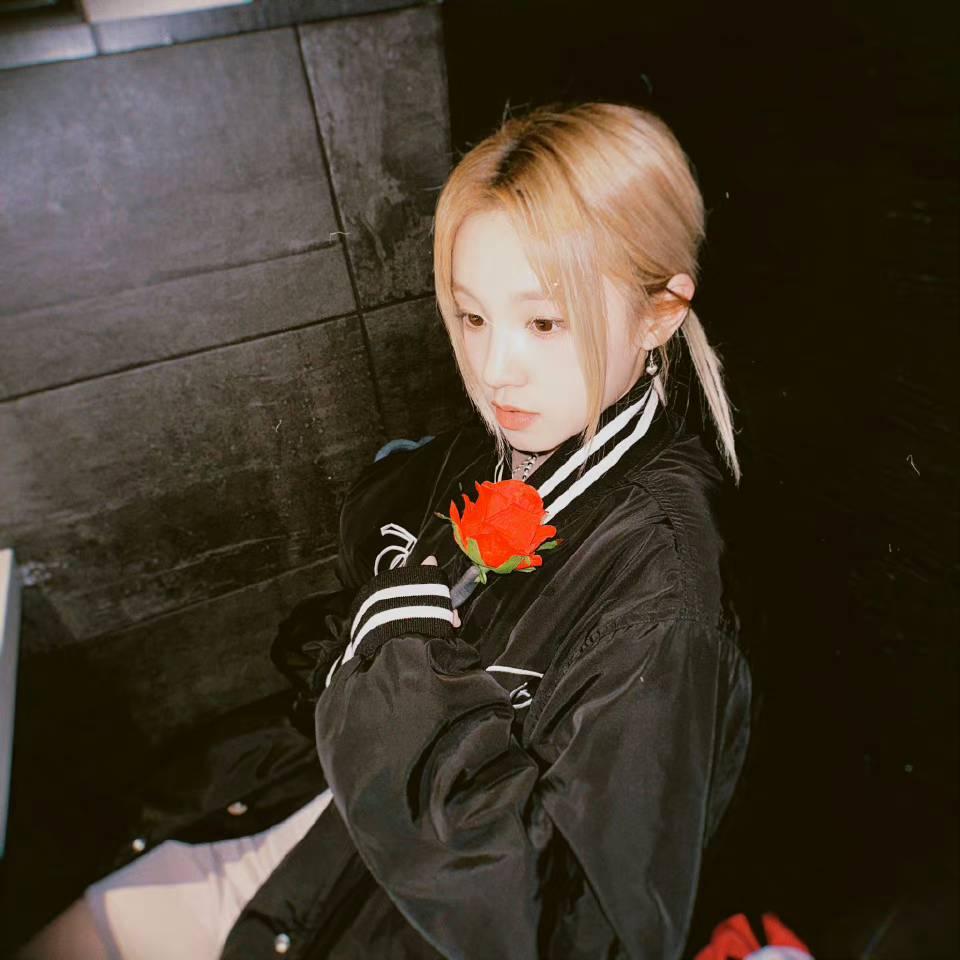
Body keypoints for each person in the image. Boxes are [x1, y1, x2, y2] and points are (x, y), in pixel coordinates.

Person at [18, 101, 752, 960]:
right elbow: (337, 637)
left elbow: (578, 934)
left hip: (375, 916)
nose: (494, 369)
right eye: (472, 317)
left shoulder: (665, 597)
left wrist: (402, 663)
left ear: (660, 313)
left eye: (544, 322)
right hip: (294, 817)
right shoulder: (506, 442)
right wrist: (362, 647)